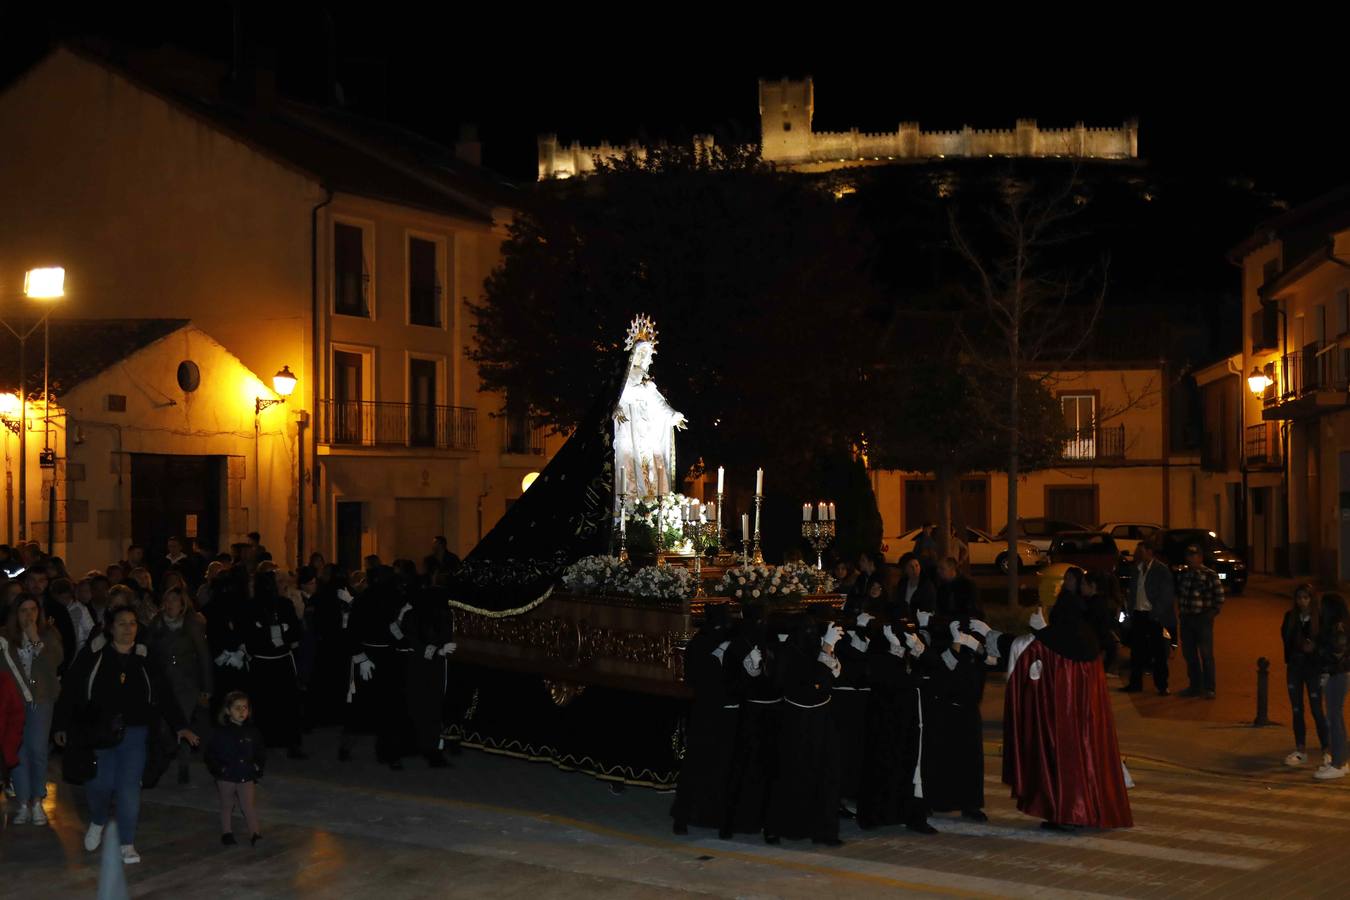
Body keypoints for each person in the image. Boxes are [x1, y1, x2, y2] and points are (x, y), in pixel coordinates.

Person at [55, 606, 201, 864]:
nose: (127, 628)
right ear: (111, 627)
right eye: (121, 623)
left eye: (132, 623)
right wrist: (61, 725)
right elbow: (72, 689)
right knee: (99, 784)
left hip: (135, 733)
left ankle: (127, 842)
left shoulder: (145, 657)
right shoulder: (95, 654)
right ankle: (98, 820)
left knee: (129, 788)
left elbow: (164, 693)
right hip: (98, 731)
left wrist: (180, 725)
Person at [992, 575, 1132, 830]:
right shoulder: (1085, 636)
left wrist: (1038, 632)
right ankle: (1091, 810)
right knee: (1089, 761)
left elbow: (1032, 660)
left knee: (1067, 762)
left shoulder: (1057, 641)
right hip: (1087, 718)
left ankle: (1068, 813)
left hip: (1065, 716)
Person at [765, 619, 843, 846]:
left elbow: (833, 678)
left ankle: (823, 830)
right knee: (790, 773)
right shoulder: (789, 655)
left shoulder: (814, 651)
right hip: (795, 720)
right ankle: (778, 828)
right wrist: (826, 649)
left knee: (824, 775)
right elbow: (812, 682)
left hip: (821, 720)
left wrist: (828, 652)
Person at [671, 604, 737, 835]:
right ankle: (695, 816)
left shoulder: (704, 642)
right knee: (708, 765)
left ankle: (700, 817)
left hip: (710, 711)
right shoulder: (707, 643)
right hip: (712, 712)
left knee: (708, 765)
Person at [5, 594, 63, 825]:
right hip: (14, 702)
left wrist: (36, 639)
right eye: (23, 611)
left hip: (41, 699)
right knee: (17, 751)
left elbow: (56, 661)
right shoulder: (5, 637)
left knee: (37, 749)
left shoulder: (49, 634)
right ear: (15, 614)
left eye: (33, 610)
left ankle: (37, 799)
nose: (28, 615)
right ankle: (22, 801)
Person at [146, 588, 214, 784]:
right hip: (164, 682)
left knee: (183, 722)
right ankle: (163, 759)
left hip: (186, 682)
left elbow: (203, 655)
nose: (169, 604)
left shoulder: (191, 623)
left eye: (174, 601)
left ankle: (183, 764)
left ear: (182, 604)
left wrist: (206, 688)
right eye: (167, 600)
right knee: (163, 726)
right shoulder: (158, 622)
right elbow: (147, 645)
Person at [242, 571, 306, 759]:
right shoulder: (250, 607)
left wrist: (272, 633)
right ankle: (259, 743)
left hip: (282, 662)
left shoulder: (285, 605)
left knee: (287, 704)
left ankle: (291, 743)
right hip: (262, 663)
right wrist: (275, 633)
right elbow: (249, 636)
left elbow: (295, 632)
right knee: (262, 705)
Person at [205, 691, 265, 846]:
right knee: (227, 804)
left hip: (246, 774)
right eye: (237, 708)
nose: (241, 711)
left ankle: (255, 833)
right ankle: (227, 832)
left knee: (248, 805)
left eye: (244, 707)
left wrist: (257, 767)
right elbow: (210, 754)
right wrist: (220, 770)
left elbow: (260, 751)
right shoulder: (220, 732)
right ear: (227, 711)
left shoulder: (252, 731)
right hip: (227, 776)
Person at [1282, 584, 1328, 767]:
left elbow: (1325, 642)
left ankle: (1326, 749)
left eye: (1306, 597)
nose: (1302, 601)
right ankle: (1300, 749)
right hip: (1295, 667)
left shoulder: (1320, 619)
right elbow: (1286, 640)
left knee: (1317, 709)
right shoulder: (1290, 617)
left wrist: (1314, 648)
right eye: (1299, 597)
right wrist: (1298, 647)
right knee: (1296, 709)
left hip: (1313, 669)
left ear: (1312, 599)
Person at [1123, 542, 1176, 695]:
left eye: (1142, 551)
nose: (1138, 554)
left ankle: (1162, 685)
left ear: (1150, 552)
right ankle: (1135, 683)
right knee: (1136, 651)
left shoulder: (1161, 570)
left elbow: (1166, 595)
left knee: (1158, 652)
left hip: (1153, 615)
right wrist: (1131, 611)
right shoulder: (1137, 569)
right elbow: (1132, 592)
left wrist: (1156, 613)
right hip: (1139, 614)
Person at [1176, 544, 1224, 699]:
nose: (1191, 558)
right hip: (1186, 619)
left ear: (1200, 557)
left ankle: (1209, 688)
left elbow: (1219, 599)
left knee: (1206, 654)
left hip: (1202, 619)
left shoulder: (1210, 575)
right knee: (1189, 654)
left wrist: (1209, 615)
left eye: (1194, 555)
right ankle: (1194, 686)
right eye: (1189, 555)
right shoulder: (1184, 574)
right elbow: (1180, 594)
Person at [1315, 593, 1350, 780]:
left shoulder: (1338, 627)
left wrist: (1326, 669)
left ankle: (1338, 763)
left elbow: (1337, 652)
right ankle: (1340, 760)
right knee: (1335, 717)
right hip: (1337, 674)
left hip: (1337, 675)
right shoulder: (1339, 625)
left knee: (1334, 718)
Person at [895, 553, 936, 617]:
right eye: (911, 567)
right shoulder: (902, 583)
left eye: (917, 566)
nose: (915, 569)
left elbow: (928, 607)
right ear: (905, 569)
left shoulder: (926, 585)